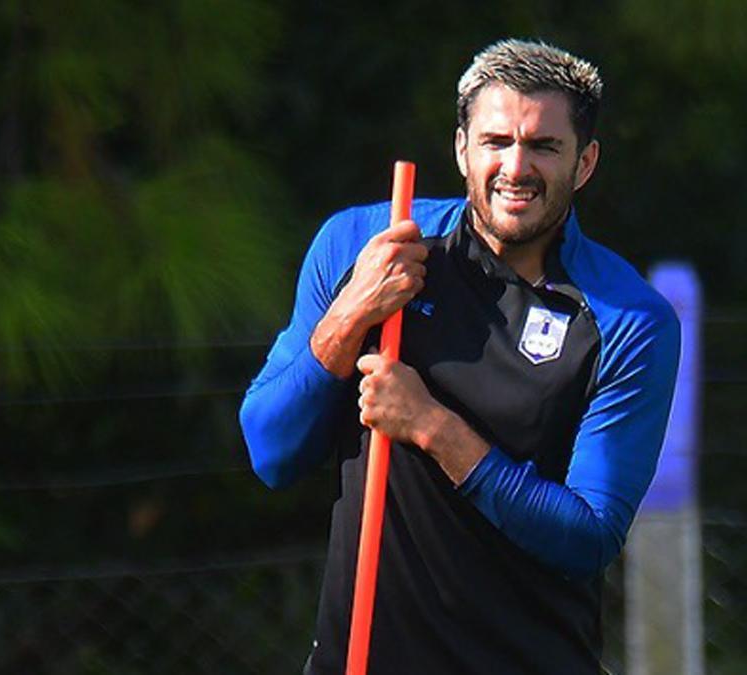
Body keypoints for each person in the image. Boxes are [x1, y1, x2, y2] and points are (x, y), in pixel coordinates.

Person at [240, 39, 681, 674]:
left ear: (584, 162)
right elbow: (270, 451)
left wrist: (431, 426)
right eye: (496, 141)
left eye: (543, 146)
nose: (515, 167)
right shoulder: (365, 244)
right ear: (461, 149)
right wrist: (348, 318)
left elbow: (587, 538)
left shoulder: (627, 319)